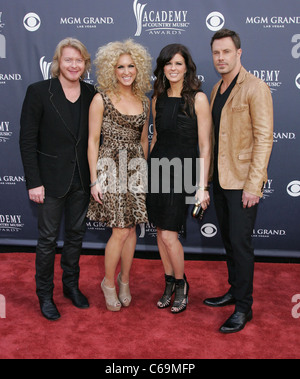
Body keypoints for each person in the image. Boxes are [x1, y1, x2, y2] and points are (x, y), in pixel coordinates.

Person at [20, 38, 96, 321]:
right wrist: (33, 181)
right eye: (68, 60)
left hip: (81, 180)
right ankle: (45, 295)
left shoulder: (92, 94)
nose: (73, 65)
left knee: (76, 236)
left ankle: (71, 287)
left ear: (85, 65)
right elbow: (27, 141)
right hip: (49, 181)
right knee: (48, 240)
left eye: (79, 60)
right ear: (57, 63)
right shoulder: (39, 92)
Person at [204, 29, 274, 333]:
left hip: (243, 182)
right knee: (229, 242)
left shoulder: (256, 88)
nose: (221, 58)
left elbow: (264, 139)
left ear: (239, 53)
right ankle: (235, 290)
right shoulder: (215, 89)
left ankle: (244, 308)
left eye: (226, 52)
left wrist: (253, 184)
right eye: (216, 53)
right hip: (220, 180)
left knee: (241, 244)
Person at [147, 44, 212, 314]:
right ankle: (169, 282)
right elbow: (156, 137)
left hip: (183, 170)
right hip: (158, 169)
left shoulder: (198, 99)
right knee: (160, 234)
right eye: (168, 64)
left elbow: (206, 146)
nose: (173, 69)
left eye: (178, 63)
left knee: (170, 235)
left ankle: (182, 284)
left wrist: (202, 187)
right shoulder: (156, 99)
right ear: (162, 68)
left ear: (187, 67)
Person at [87, 39, 152, 312]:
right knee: (120, 229)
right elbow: (92, 141)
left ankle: (125, 280)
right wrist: (95, 179)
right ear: (111, 70)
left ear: (139, 68)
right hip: (109, 167)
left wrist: (142, 170)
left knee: (132, 226)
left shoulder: (144, 100)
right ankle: (108, 283)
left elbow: (144, 139)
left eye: (131, 66)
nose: (126, 71)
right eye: (120, 66)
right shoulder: (100, 99)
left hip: (135, 168)